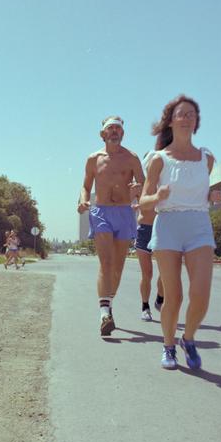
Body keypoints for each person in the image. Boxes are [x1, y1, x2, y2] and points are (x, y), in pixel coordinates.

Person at [138, 95, 221, 370]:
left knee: (201, 294)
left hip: (198, 224)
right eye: (181, 114)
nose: (186, 118)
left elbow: (201, 193)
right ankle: (169, 346)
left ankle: (188, 338)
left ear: (196, 122)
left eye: (191, 114)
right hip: (169, 224)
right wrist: (158, 195)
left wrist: (213, 195)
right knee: (174, 296)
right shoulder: (159, 160)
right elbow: (143, 201)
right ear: (171, 121)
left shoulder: (206, 158)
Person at [78, 115, 145, 337]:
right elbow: (86, 186)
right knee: (105, 262)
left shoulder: (132, 158)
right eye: (110, 128)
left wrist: (138, 189)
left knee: (118, 267)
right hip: (101, 212)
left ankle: (108, 304)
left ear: (123, 133)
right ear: (103, 134)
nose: (115, 131)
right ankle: (104, 313)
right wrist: (83, 200)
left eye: (118, 128)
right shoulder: (93, 159)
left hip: (125, 213)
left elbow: (144, 185)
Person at [136, 142, 165, 322]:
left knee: (165, 271)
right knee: (147, 273)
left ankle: (160, 298)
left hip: (162, 230)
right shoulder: (139, 185)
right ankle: (145, 306)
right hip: (144, 230)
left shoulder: (165, 183)